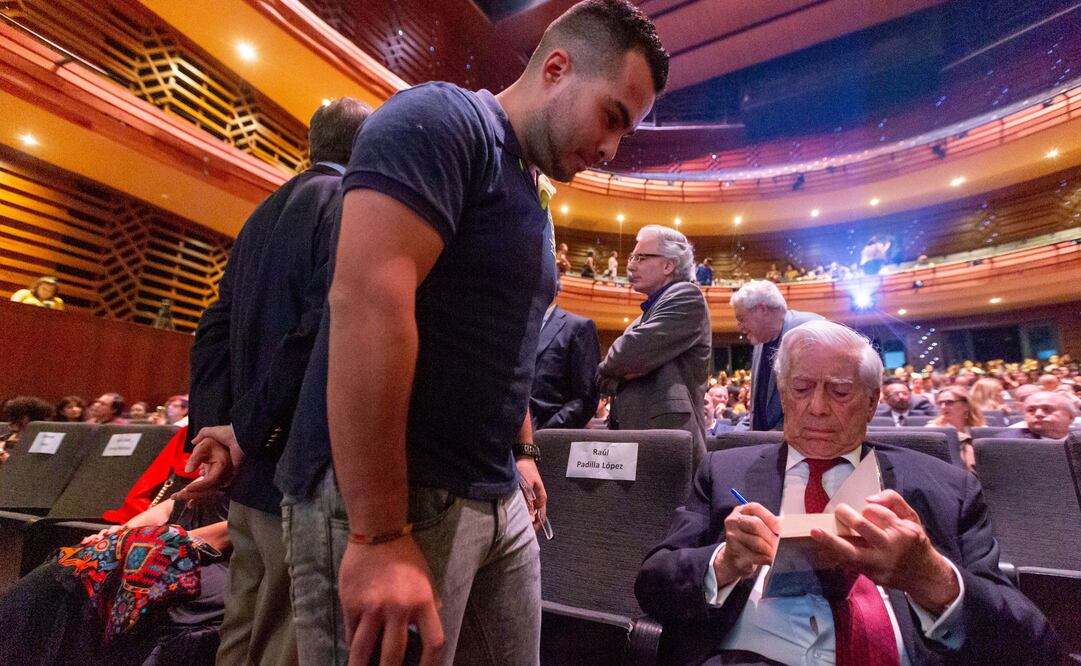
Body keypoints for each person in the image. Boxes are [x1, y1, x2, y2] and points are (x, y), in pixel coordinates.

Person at [276, 2, 668, 663]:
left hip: (493, 493)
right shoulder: (440, 119)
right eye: (611, 116)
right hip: (396, 496)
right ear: (555, 67)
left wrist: (522, 450)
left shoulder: (527, 185)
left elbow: (502, 335)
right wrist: (376, 533)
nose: (609, 148)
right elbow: (368, 302)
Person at [634, 320, 1057, 665]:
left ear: (872, 402)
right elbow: (652, 585)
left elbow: (1033, 645)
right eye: (801, 389)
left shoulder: (946, 486)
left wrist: (931, 579)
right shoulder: (725, 470)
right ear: (782, 394)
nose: (817, 407)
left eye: (839, 391)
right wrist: (724, 562)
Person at [177, 97, 371, 666]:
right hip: (296, 470)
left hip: (246, 473)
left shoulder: (261, 213)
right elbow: (318, 332)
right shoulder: (349, 207)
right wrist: (244, 429)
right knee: (287, 642)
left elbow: (212, 327)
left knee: (238, 635)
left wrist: (213, 431)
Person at [0, 491, 230, 664]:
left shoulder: (257, 461)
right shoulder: (218, 453)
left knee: (96, 571)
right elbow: (170, 506)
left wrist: (153, 541)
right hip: (175, 546)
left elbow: (235, 529)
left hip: (228, 560)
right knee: (75, 562)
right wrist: (121, 533)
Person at [598, 224, 711, 460]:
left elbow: (623, 355)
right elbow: (603, 377)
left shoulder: (687, 296)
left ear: (668, 265)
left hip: (669, 445)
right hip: (638, 440)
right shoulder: (643, 317)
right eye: (631, 257)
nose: (630, 265)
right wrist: (620, 370)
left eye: (640, 257)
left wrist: (620, 366)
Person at [730, 279, 822, 431]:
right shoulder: (760, 341)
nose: (739, 327)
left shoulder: (809, 330)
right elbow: (760, 407)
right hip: (765, 445)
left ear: (762, 309)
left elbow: (813, 403)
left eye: (741, 319)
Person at [530, 299, 601, 430]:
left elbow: (585, 398)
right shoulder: (513, 326)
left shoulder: (579, 327)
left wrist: (545, 432)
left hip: (545, 434)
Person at [927, 385, 985, 471]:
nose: (943, 407)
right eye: (940, 403)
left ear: (966, 405)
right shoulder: (931, 431)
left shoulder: (981, 431)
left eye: (949, 402)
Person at [1, 395, 54, 462]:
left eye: (16, 417)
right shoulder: (12, 436)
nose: (12, 422)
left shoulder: (47, 439)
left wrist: (1, 453)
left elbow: (27, 466)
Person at [1011, 391, 1077, 439]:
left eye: (1047, 409)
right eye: (1030, 410)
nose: (1038, 414)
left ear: (1071, 417)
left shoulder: (1077, 440)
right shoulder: (1010, 443)